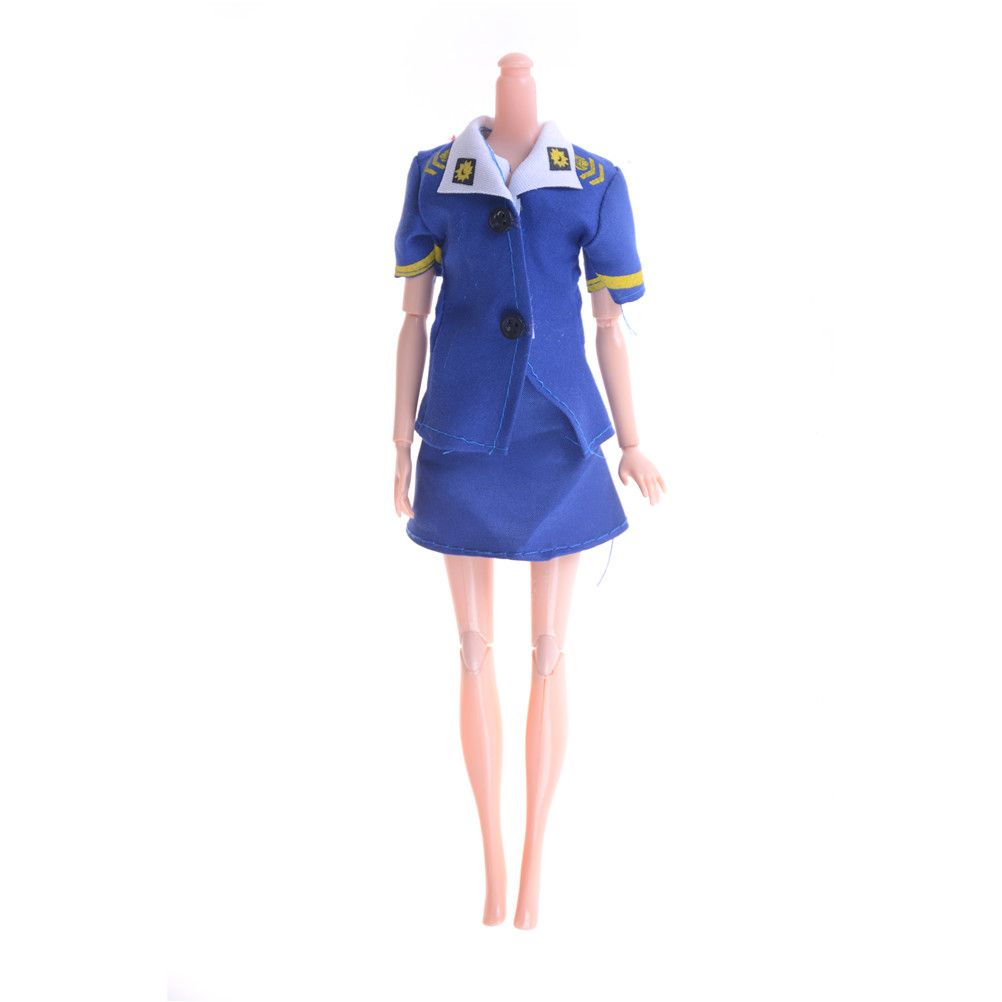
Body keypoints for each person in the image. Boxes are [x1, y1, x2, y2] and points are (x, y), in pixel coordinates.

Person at [392, 53, 664, 929]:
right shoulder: (436, 176)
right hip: (462, 435)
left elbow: (610, 325)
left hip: (558, 437)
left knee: (550, 653)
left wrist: (632, 443)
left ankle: (535, 870)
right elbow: (412, 319)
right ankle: (493, 870)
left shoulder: (594, 182)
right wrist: (399, 444)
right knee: (474, 651)